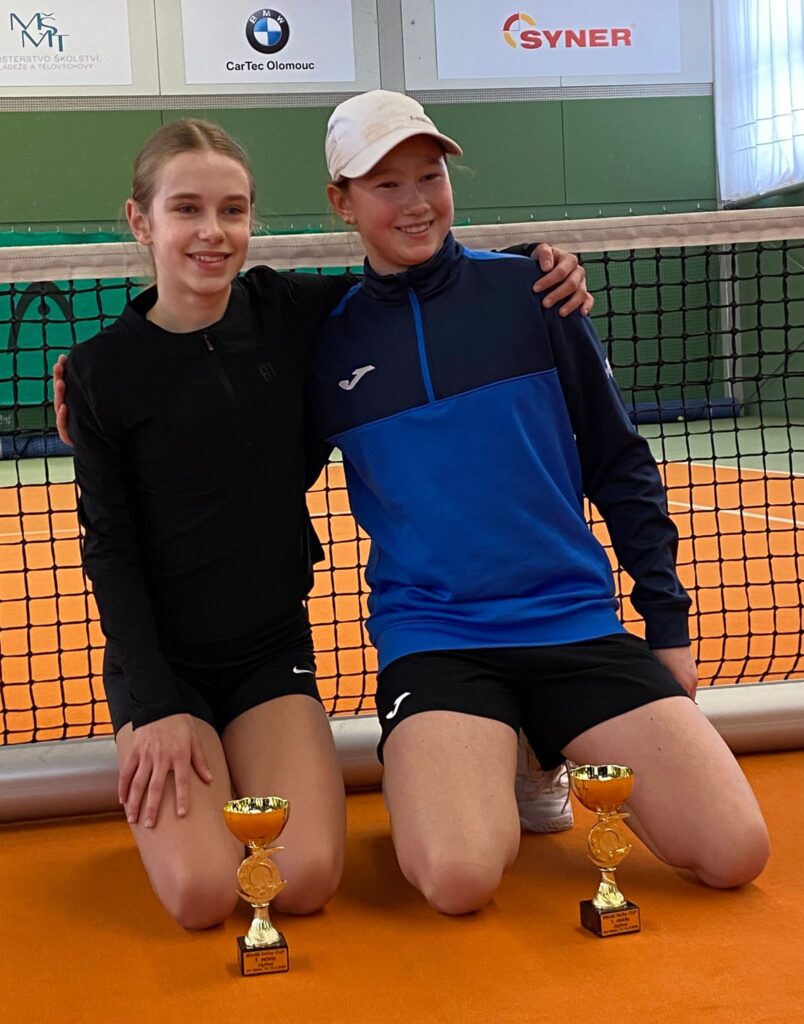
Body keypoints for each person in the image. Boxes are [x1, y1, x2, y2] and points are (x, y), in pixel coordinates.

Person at [53, 116, 592, 929]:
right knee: (203, 896)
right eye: (187, 209)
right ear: (141, 220)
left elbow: (409, 274)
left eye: (233, 210)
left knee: (303, 881)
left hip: (269, 655)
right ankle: (190, 782)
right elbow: (110, 550)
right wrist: (156, 707)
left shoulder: (288, 310)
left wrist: (531, 264)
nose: (212, 232)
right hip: (162, 666)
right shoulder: (100, 371)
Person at [305, 90, 770, 915]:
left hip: (573, 622)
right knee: (458, 879)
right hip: (437, 638)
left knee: (736, 851)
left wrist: (666, 627)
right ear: (342, 201)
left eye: (430, 176)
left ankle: (538, 746)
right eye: (385, 185)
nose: (415, 202)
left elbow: (620, 461)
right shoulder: (326, 341)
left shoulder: (535, 290)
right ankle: (481, 753)